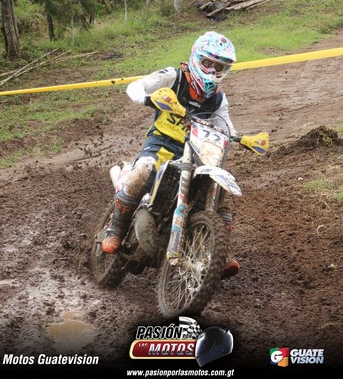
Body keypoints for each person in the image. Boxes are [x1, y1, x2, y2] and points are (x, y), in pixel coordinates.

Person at [102, 31, 240, 279]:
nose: (212, 71)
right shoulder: (173, 77)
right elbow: (136, 87)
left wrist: (241, 138)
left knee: (221, 191)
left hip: (196, 150)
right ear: (196, 58)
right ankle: (116, 230)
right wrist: (149, 99)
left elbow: (226, 125)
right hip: (162, 144)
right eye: (207, 63)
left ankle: (216, 252)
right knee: (142, 171)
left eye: (219, 67)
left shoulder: (218, 98)